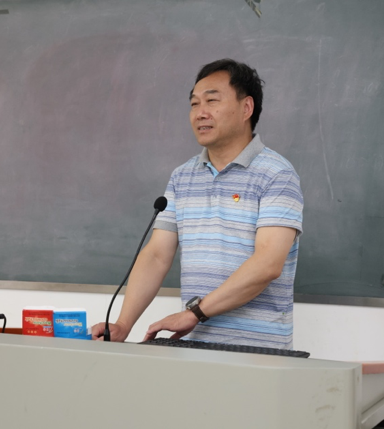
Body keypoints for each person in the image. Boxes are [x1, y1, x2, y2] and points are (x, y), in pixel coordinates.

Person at [91, 58, 303, 349]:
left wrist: (194, 313)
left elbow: (267, 264)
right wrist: (123, 324)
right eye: (194, 104)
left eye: (212, 101)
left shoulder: (276, 174)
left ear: (246, 108)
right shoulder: (183, 177)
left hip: (258, 352)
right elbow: (157, 255)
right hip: (193, 348)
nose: (200, 113)